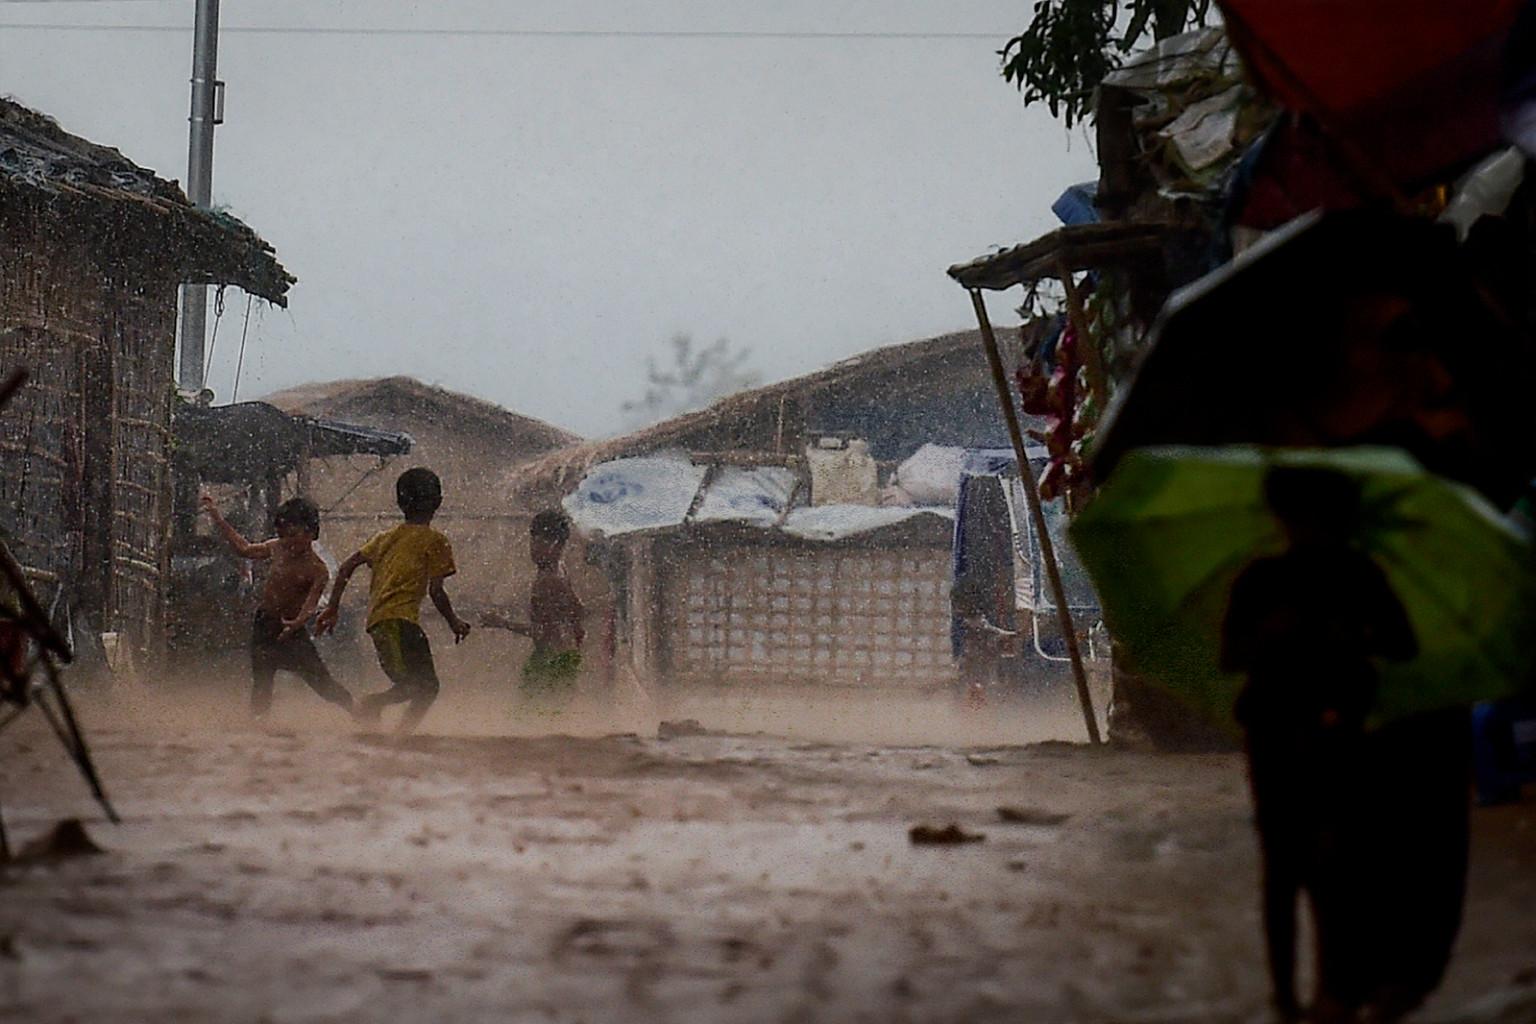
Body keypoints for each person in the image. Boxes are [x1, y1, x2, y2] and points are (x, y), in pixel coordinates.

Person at [1221, 466, 1468, 1023]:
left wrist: (1353, 635)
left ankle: (1332, 991)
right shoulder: (1262, 581)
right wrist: (1270, 635)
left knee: (1335, 865)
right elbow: (1232, 656)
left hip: (1338, 735)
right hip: (1278, 735)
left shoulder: (1361, 578)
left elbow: (1401, 645)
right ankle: (1289, 996)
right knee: (1286, 869)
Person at [315, 468, 470, 733]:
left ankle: (401, 736)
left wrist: (333, 607)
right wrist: (454, 622)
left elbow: (345, 568)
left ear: (399, 503)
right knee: (416, 685)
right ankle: (371, 705)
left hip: (388, 622)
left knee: (428, 687)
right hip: (397, 624)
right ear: (439, 502)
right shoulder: (436, 541)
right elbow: (436, 591)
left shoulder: (384, 538)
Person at [201, 494, 355, 719]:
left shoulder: (317, 569)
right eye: (282, 536)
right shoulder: (277, 548)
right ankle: (257, 728)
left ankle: (357, 711)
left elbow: (311, 604)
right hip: (265, 624)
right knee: (262, 681)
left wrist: (298, 622)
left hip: (291, 631)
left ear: (312, 533)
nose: (288, 542)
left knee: (322, 683)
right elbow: (244, 549)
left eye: (293, 535)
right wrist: (217, 517)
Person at [481, 509, 586, 715]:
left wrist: (501, 622)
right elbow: (578, 610)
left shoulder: (548, 581)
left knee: (531, 719)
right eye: (533, 541)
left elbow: (542, 632)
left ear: (559, 546)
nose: (535, 549)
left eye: (543, 543)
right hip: (563, 657)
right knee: (548, 718)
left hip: (549, 660)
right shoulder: (559, 570)